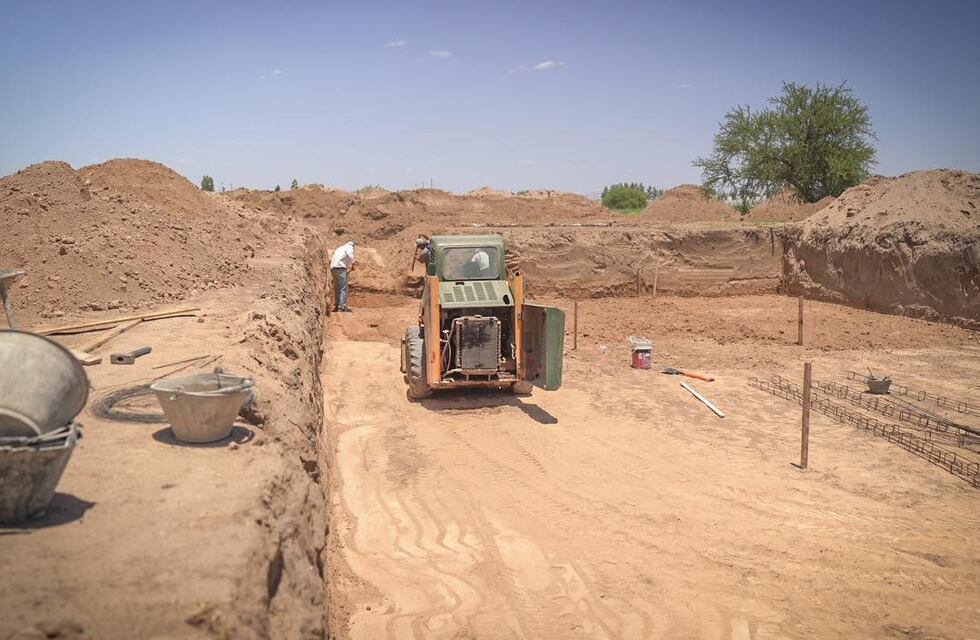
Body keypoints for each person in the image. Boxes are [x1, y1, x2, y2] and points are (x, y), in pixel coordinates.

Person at [330, 240, 355, 312]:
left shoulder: (340, 248)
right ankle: (342, 307)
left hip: (333, 268)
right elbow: (350, 255)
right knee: (343, 288)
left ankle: (337, 305)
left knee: (338, 288)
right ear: (353, 245)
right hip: (340, 268)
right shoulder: (349, 247)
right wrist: (353, 263)